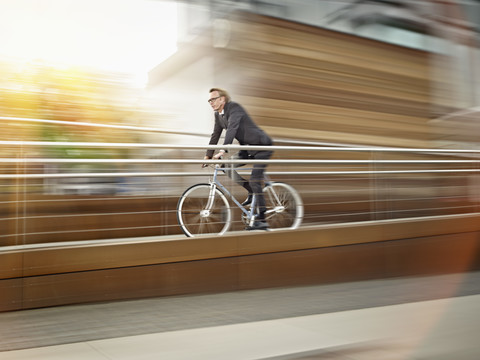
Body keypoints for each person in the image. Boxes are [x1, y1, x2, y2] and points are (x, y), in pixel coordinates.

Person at [204, 87, 273, 230]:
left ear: (222, 99)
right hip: (247, 149)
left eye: (213, 99)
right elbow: (215, 134)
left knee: (255, 180)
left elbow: (232, 129)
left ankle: (262, 219)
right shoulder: (218, 115)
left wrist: (222, 150)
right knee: (226, 166)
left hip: (261, 147)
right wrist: (208, 155)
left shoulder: (234, 108)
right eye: (209, 100)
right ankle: (251, 190)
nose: (211, 102)